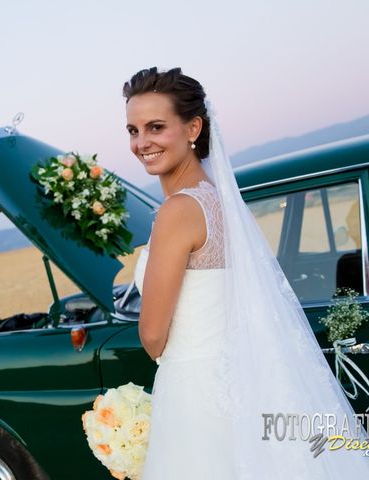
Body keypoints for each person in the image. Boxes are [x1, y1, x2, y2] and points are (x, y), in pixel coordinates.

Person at [125, 67, 369, 478]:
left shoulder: (178, 211)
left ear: (193, 128)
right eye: (132, 130)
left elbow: (152, 334)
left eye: (155, 127)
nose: (141, 143)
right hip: (240, 383)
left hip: (196, 391)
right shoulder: (218, 202)